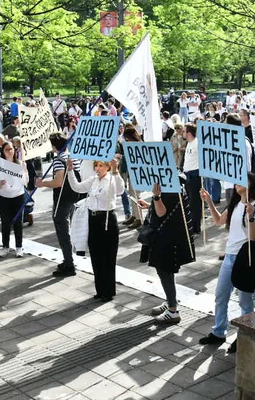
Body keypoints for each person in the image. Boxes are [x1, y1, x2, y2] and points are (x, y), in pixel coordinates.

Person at [198, 173, 255, 352]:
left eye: (243, 180)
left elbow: (254, 236)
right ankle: (219, 331)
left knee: (245, 300)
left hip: (245, 258)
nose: (237, 184)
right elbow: (219, 221)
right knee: (221, 296)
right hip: (229, 256)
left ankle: (245, 335)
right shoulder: (235, 204)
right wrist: (209, 201)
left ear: (252, 184)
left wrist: (250, 217)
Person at [138, 181, 196, 325]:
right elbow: (167, 210)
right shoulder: (173, 185)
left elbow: (162, 212)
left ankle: (172, 310)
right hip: (167, 236)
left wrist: (156, 198)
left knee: (165, 272)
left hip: (166, 238)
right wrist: (150, 204)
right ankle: (171, 301)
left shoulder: (170, 189)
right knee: (164, 272)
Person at [66, 157, 124, 301]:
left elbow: (120, 190)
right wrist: (70, 170)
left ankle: (108, 291)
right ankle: (100, 289)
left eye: (100, 166)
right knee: (96, 256)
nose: (97, 169)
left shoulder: (112, 179)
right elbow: (77, 187)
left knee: (108, 257)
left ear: (107, 167)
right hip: (93, 219)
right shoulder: (93, 180)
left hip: (107, 219)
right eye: (96, 166)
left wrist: (116, 171)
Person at [36, 133, 80, 277]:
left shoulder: (58, 160)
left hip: (62, 198)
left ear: (54, 146)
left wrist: (42, 184)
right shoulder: (73, 156)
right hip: (73, 195)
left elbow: (58, 182)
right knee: (67, 227)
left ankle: (69, 262)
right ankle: (69, 259)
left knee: (62, 229)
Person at [0, 140, 28, 257]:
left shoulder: (20, 163)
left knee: (18, 222)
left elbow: (25, 182)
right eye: (7, 149)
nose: (10, 151)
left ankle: (19, 247)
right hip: (4, 197)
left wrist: (25, 171)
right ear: (3, 151)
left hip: (18, 196)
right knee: (5, 223)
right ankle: (5, 247)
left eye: (12, 149)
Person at [181, 124, 201, 234]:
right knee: (188, 202)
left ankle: (195, 228)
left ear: (189, 133)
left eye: (184, 131)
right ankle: (190, 225)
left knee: (195, 203)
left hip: (195, 176)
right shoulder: (189, 143)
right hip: (187, 175)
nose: (182, 133)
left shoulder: (197, 143)